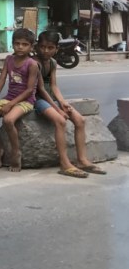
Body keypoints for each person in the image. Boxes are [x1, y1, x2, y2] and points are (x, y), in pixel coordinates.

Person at [34, 30, 106, 177]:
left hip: (51, 98)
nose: (45, 51)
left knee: (80, 120)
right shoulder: (34, 63)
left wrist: (63, 102)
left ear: (56, 49)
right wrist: (57, 109)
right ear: (37, 47)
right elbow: (40, 90)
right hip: (36, 99)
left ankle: (82, 160)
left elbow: (54, 86)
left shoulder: (52, 63)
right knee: (60, 121)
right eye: (42, 47)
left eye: (50, 48)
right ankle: (65, 163)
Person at [0, 28, 38, 172]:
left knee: (8, 120)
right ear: (13, 44)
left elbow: (29, 90)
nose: (20, 47)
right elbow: (1, 80)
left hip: (26, 101)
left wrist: (11, 105)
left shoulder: (32, 64)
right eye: (17, 44)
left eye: (25, 44)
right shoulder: (9, 59)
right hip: (9, 98)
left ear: (31, 47)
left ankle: (16, 153)